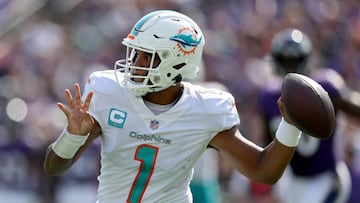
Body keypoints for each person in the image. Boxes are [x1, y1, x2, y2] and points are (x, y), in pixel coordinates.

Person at [43, 10, 303, 203]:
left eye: (147, 56)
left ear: (175, 62)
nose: (135, 62)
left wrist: (291, 125)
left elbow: (263, 170)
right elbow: (54, 167)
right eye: (134, 53)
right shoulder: (107, 92)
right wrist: (72, 137)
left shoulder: (206, 110)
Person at [257, 28, 359, 203]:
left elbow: (355, 108)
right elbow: (268, 143)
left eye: (295, 60)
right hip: (292, 181)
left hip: (326, 177)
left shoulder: (326, 85)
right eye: (286, 61)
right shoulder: (268, 96)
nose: (291, 66)